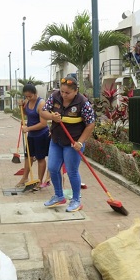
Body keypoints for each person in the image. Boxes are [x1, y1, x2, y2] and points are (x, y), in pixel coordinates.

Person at [40, 75, 96, 212]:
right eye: (62, 91)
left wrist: (80, 142)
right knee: (53, 168)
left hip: (73, 143)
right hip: (56, 140)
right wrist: (52, 117)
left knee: (71, 171)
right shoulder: (55, 96)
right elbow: (43, 112)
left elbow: (90, 124)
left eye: (67, 93)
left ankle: (76, 200)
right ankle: (59, 196)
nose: (64, 95)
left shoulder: (83, 103)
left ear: (75, 91)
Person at [16, 83, 51, 190]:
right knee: (28, 157)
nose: (28, 98)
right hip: (31, 135)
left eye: (30, 96)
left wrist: (28, 128)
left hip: (41, 135)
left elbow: (43, 123)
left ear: (35, 94)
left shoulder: (41, 104)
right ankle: (25, 178)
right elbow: (27, 114)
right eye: (26, 96)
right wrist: (21, 107)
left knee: (40, 158)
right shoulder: (27, 101)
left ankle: (39, 181)